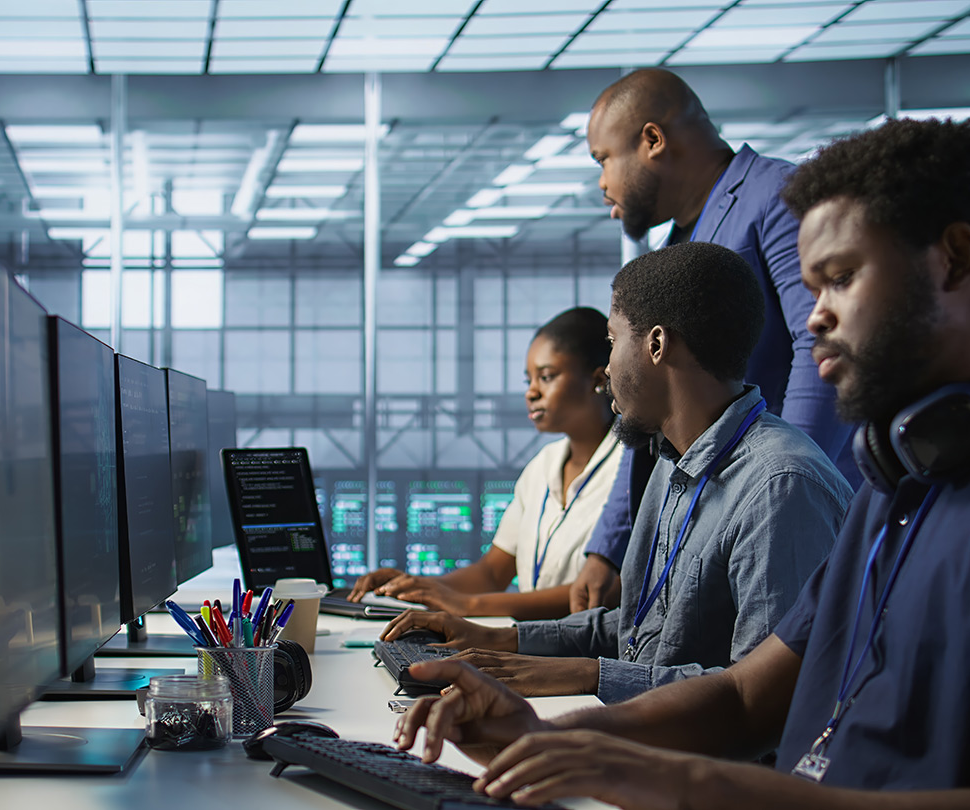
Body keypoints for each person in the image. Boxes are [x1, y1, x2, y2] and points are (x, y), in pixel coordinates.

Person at [393, 118, 970, 809]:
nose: (814, 316)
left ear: (954, 258)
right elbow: (751, 694)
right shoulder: (908, 470)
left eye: (841, 279)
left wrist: (668, 777)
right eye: (812, 287)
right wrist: (554, 737)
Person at [381, 242, 850, 703]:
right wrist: (500, 641)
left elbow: (764, 702)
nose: (605, 368)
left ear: (656, 344)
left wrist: (586, 677)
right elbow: (641, 630)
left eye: (611, 341)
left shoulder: (779, 487)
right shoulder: (672, 464)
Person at [570, 67, 857, 614]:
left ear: (652, 141)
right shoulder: (674, 246)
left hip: (774, 513)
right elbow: (651, 414)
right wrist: (608, 548)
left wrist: (778, 491)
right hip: (709, 510)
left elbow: (819, 344)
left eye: (603, 159)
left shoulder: (776, 196)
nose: (602, 182)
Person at [347, 307, 622, 621]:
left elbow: (604, 590)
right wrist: (414, 587)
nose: (531, 392)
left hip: (587, 654)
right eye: (528, 379)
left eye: (546, 377)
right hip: (535, 644)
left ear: (598, 380)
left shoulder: (633, 466)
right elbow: (492, 573)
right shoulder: (542, 467)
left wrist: (469, 607)